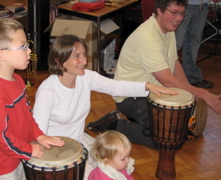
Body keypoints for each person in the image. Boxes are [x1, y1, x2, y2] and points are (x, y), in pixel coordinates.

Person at [32, 34, 177, 179]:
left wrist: (147, 86)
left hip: (79, 140)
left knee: (116, 164)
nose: (84, 60)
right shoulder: (48, 91)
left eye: (83, 54)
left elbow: (116, 86)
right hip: (59, 151)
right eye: (77, 56)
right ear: (60, 61)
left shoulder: (85, 77)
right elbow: (37, 133)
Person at [87, 0, 221, 146]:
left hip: (155, 91)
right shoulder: (148, 37)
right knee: (166, 139)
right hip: (132, 97)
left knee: (184, 127)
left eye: (182, 13)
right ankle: (114, 124)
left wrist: (188, 94)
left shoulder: (167, 29)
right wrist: (203, 94)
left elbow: (174, 62)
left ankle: (141, 119)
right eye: (174, 12)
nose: (178, 18)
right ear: (160, 10)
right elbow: (168, 80)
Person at [0, 18, 65, 180]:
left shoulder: (17, 80)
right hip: (2, 165)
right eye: (23, 47)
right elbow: (0, 137)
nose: (29, 51)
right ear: (1, 54)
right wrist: (27, 149)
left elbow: (27, 116)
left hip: (18, 153)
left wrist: (39, 135)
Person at [175, 0, 221, 88]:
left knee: (194, 42)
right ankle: (164, 75)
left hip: (202, 5)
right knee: (176, 42)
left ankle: (192, 77)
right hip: (182, 4)